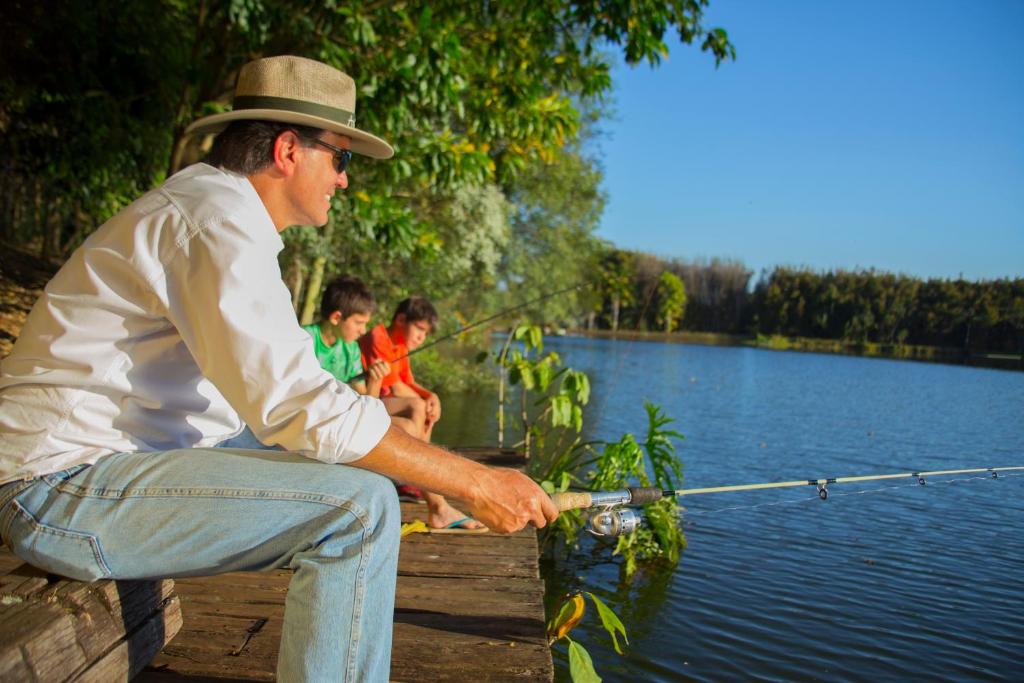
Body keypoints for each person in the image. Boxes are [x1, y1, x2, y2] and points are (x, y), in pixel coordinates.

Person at [0, 55, 557, 682]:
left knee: (352, 470)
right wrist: (475, 482)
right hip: (57, 490)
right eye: (340, 158)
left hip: (107, 466)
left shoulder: (217, 215)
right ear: (290, 150)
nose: (345, 180)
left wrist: (442, 468)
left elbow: (295, 396)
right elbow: (302, 405)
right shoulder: (214, 222)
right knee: (359, 510)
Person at [306, 277, 481, 530]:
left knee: (412, 424)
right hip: (321, 423)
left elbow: (368, 402)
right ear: (336, 318)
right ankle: (434, 500)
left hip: (345, 418)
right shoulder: (306, 340)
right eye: (358, 323)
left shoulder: (351, 349)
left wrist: (375, 381)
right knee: (412, 422)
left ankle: (435, 502)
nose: (363, 330)